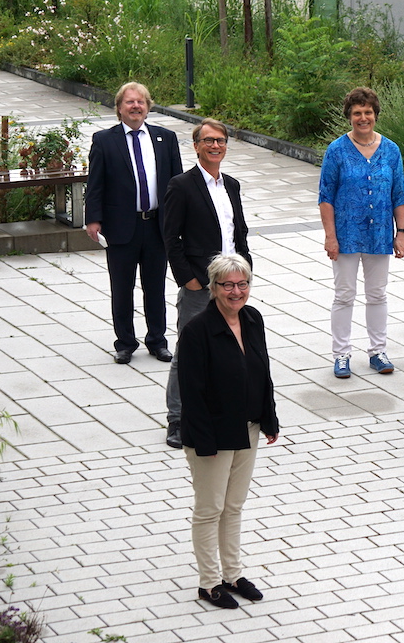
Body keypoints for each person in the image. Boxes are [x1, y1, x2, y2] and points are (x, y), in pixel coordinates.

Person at [178, 254, 279, 610]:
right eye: (228, 285)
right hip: (212, 437)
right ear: (214, 288)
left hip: (247, 429)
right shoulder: (197, 330)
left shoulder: (253, 319)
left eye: (242, 284)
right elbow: (191, 392)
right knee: (210, 509)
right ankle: (209, 583)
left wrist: (269, 419)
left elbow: (262, 373)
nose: (236, 291)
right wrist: (204, 443)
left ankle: (233, 575)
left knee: (233, 506)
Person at [162, 119, 252, 449]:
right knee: (188, 352)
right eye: (209, 141)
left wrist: (246, 274)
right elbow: (171, 238)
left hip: (234, 286)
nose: (216, 146)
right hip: (201, 284)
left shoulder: (232, 185)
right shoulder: (181, 186)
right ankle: (178, 418)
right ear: (196, 145)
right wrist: (190, 280)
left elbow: (238, 232)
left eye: (221, 141)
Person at [85, 82, 183, 365]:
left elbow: (177, 183)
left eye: (141, 102)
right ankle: (125, 343)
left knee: (155, 287)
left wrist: (180, 221)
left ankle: (157, 341)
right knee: (122, 288)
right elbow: (96, 184)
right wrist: (93, 219)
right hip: (121, 226)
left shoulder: (166, 138)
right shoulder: (105, 141)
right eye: (130, 102)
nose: (136, 107)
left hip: (156, 225)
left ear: (148, 107)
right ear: (119, 108)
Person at [318, 87, 404, 378]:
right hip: (345, 235)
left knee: (377, 294)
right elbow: (325, 197)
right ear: (349, 116)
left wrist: (401, 232)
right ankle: (341, 354)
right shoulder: (336, 150)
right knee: (344, 294)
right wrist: (330, 236)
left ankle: (378, 351)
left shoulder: (391, 150)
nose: (363, 117)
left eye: (367, 112)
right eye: (357, 113)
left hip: (380, 233)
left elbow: (400, 193)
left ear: (375, 115)